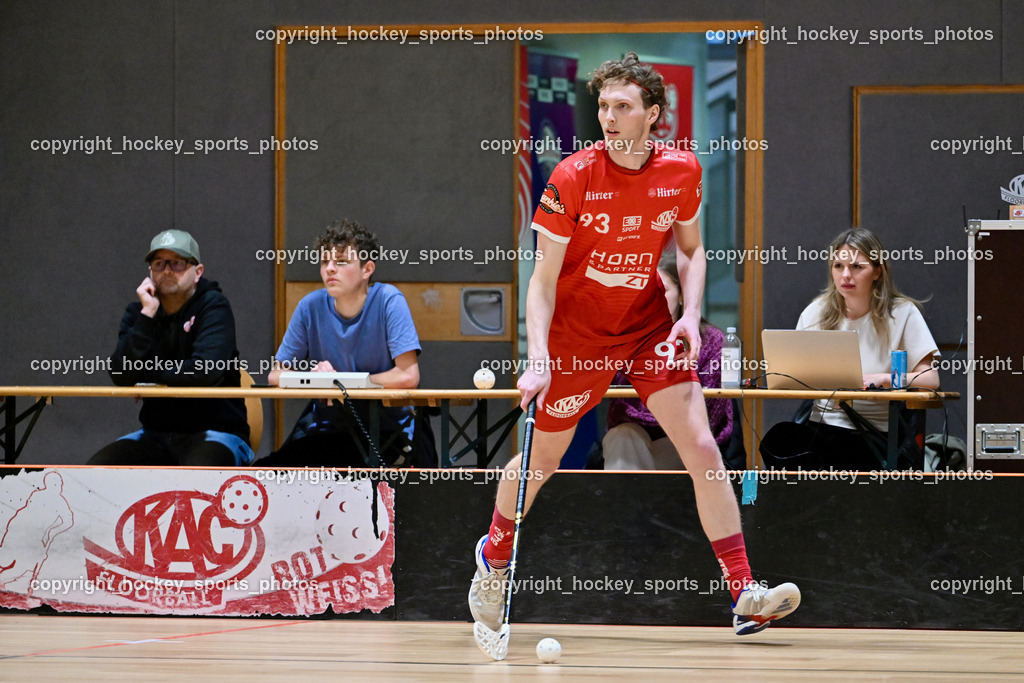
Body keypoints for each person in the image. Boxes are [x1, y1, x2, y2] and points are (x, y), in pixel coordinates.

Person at [468, 53, 799, 646]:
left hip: (647, 327)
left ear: (654, 114)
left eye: (623, 106)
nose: (609, 117)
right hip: (577, 337)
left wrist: (691, 315)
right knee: (542, 462)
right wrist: (539, 358)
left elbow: (691, 251)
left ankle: (744, 593)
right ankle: (493, 560)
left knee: (702, 447)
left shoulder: (682, 171)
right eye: (603, 106)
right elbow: (541, 281)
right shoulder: (572, 176)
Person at [759, 228, 941, 471]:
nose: (846, 275)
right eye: (838, 266)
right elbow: (793, 378)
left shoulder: (902, 313)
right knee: (777, 440)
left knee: (840, 458)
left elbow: (930, 379)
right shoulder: (815, 313)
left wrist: (885, 379)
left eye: (856, 267)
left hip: (873, 434)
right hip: (822, 428)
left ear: (877, 271)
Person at [262, 219, 435, 467]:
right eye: (325, 262)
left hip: (385, 433)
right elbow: (275, 375)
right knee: (264, 472)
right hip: (328, 429)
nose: (330, 269)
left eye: (341, 261)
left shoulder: (389, 300)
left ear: (367, 269)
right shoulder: (309, 306)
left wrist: (339, 382)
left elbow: (408, 376)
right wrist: (315, 379)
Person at [89, 230, 253, 466]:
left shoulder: (214, 307)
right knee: (95, 471)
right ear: (150, 272)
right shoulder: (138, 313)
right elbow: (120, 373)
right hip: (154, 433)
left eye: (177, 263)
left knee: (195, 475)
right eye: (159, 264)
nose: (167, 270)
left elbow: (204, 371)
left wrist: (146, 378)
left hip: (217, 432)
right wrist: (148, 314)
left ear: (198, 272)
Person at [603, 251, 737, 469]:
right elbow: (615, 404)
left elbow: (709, 414)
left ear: (682, 295)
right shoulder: (623, 339)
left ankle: (630, 491)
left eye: (662, 291)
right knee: (623, 436)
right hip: (633, 439)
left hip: (687, 442)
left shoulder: (710, 341)